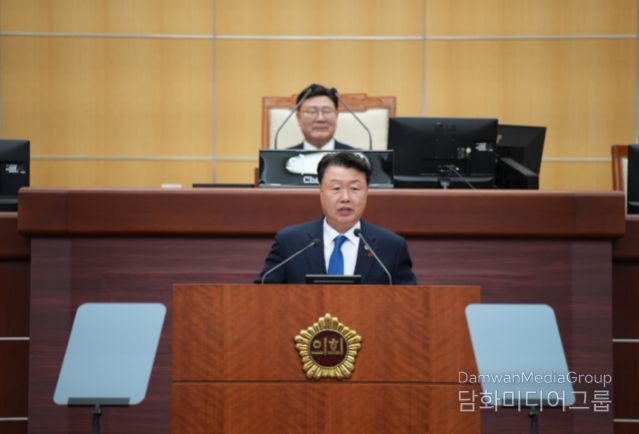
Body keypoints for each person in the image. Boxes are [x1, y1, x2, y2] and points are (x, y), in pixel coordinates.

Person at [256, 152, 416, 284]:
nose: (345, 198)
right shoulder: (290, 243)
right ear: (321, 192)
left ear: (366, 193)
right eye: (336, 188)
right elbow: (261, 296)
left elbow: (409, 303)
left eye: (354, 188)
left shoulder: (391, 247)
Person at [288, 84, 355, 151]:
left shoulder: (355, 156)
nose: (320, 118)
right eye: (312, 111)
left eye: (326, 111)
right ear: (298, 117)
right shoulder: (284, 156)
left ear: (336, 116)